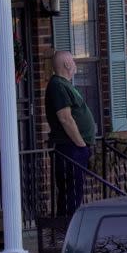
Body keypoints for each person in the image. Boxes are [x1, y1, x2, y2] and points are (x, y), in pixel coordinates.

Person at [45, 50, 96, 216]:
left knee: (75, 190)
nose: (75, 65)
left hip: (74, 147)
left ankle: (65, 228)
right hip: (70, 147)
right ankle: (66, 229)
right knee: (71, 191)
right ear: (67, 64)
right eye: (73, 62)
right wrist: (81, 145)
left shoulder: (65, 85)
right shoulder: (58, 86)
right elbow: (65, 118)